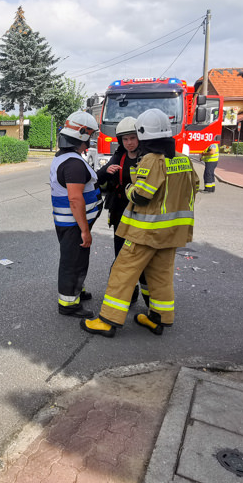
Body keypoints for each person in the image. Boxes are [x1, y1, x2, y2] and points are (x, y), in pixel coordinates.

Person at [80, 108, 200, 338]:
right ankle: (160, 318)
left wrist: (128, 188)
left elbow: (141, 195)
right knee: (160, 275)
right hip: (173, 232)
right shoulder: (184, 161)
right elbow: (193, 188)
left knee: (122, 272)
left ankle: (107, 320)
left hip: (146, 232)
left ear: (144, 135)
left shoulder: (151, 161)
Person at [96, 116, 151, 311]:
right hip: (120, 213)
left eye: (132, 138)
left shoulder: (149, 157)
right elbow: (98, 178)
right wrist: (105, 171)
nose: (129, 143)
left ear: (140, 138)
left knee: (143, 259)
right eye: (125, 139)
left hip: (143, 215)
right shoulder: (118, 156)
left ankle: (150, 300)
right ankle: (129, 293)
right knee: (120, 255)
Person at [50, 111, 101, 318]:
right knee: (72, 263)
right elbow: (75, 199)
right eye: (89, 137)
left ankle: (76, 291)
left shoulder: (63, 158)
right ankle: (69, 304)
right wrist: (85, 231)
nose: (89, 143)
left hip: (68, 223)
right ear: (81, 135)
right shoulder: (73, 164)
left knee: (77, 260)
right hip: (74, 225)